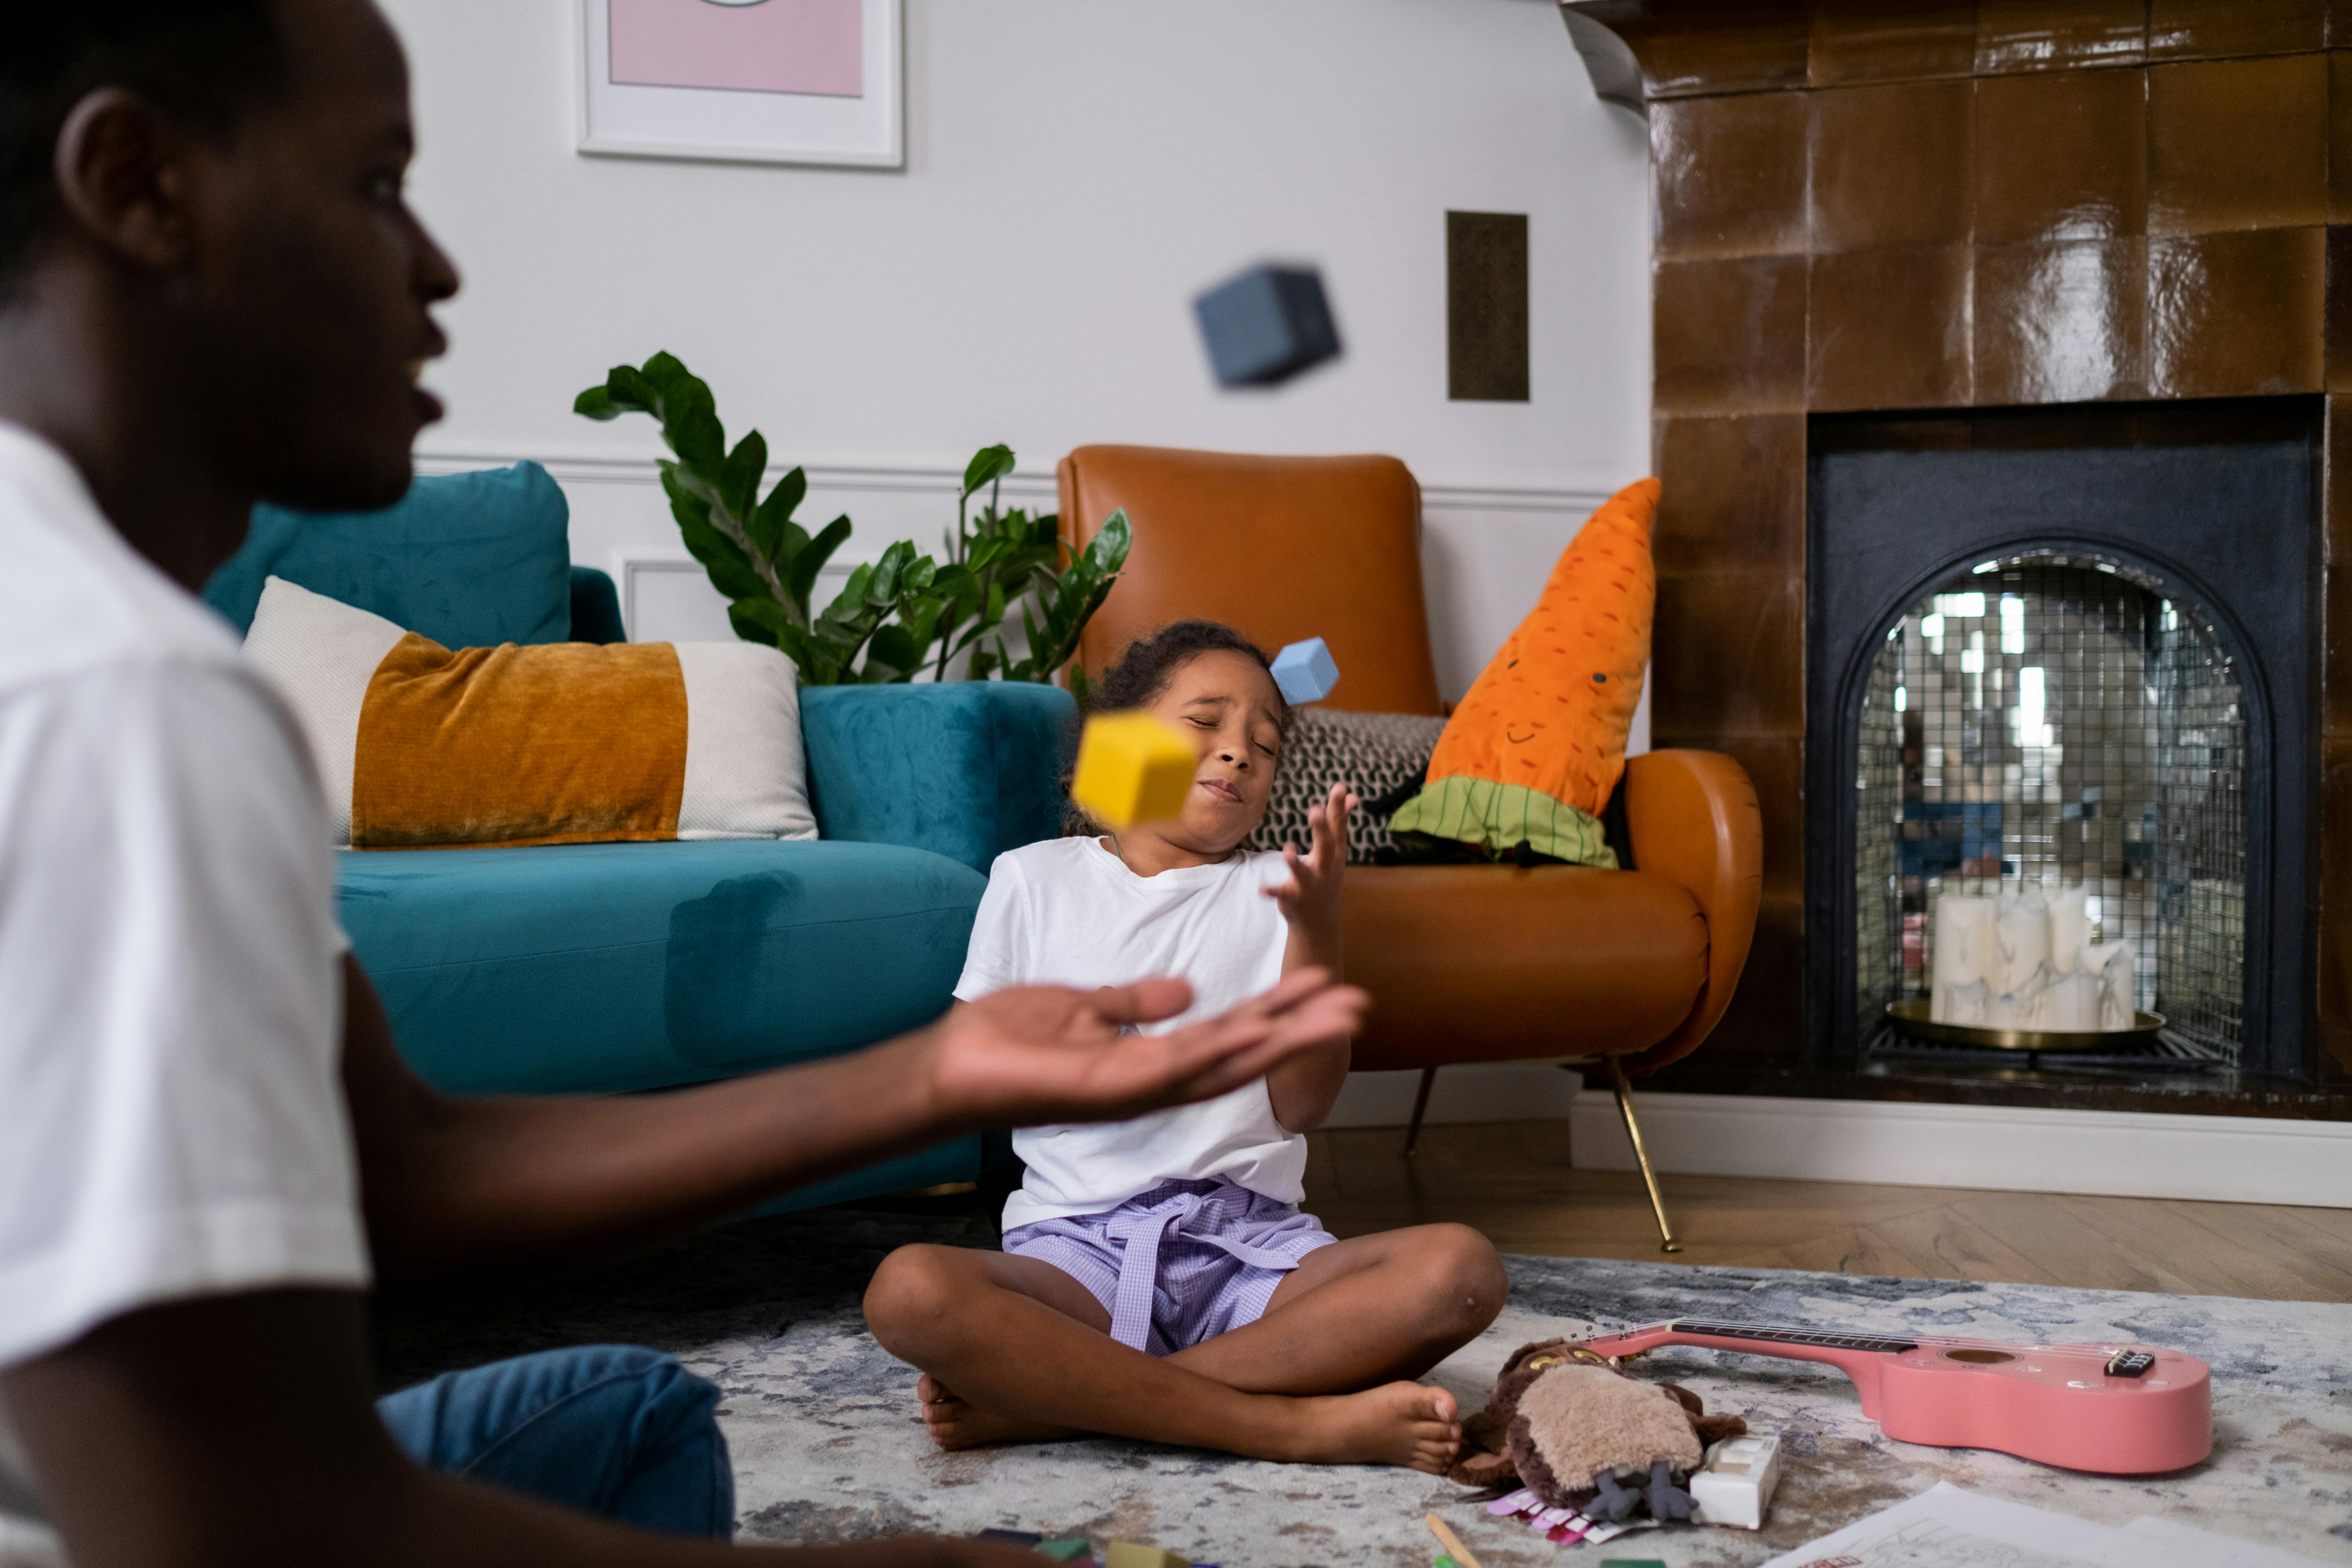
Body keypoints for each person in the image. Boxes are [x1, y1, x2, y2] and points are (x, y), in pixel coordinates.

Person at [0, 6, 1368, 1565]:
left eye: (1264, 731)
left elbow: (406, 1164)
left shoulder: (118, 650)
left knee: (641, 1408)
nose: (439, 265)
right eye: (378, 182)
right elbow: (234, 1518)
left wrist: (930, 1080)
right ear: (136, 182)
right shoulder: (113, 698)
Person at [862, 622, 1507, 1473]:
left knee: (1460, 1269)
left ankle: (1062, 1403)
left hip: (1253, 1255)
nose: (1238, 753)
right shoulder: (1032, 879)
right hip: (1076, 1254)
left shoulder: (1284, 890)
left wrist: (1316, 937)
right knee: (908, 1290)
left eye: (1265, 744)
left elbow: (1304, 1105)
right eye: (1206, 722)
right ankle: (1288, 1425)